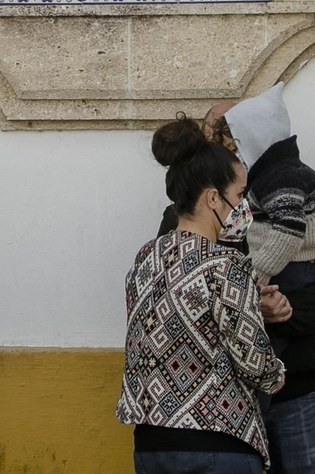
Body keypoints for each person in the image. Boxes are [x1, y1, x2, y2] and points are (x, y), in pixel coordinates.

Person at [194, 85, 315, 474]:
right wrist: (250, 307)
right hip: (222, 392)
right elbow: (185, 290)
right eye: (222, 134)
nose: (231, 143)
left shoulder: (294, 198)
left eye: (235, 132)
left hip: (293, 388)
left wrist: (286, 310)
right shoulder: (192, 212)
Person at [120, 115, 285, 474]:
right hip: (218, 444)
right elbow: (257, 367)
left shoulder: (145, 258)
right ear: (213, 198)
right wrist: (278, 371)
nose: (245, 207)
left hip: (150, 444)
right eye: (240, 195)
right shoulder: (226, 264)